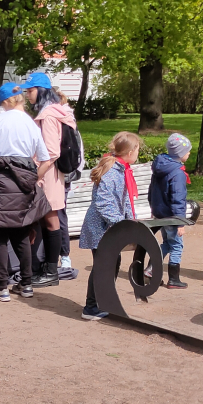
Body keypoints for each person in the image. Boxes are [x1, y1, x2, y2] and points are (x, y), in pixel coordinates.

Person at [0, 83, 50, 301]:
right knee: (21, 234)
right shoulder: (31, 123)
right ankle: (26, 284)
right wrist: (34, 178)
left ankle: (1, 288)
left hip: (0, 181)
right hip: (24, 182)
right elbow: (47, 160)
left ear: (4, 102)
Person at [22, 71, 79, 287]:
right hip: (54, 173)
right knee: (49, 219)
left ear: (42, 91)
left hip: (48, 174)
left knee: (50, 219)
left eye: (31, 90)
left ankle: (50, 271)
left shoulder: (48, 116)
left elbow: (51, 151)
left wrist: (36, 175)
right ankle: (47, 269)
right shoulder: (59, 112)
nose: (28, 95)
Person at [78, 132, 140, 320]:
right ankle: (91, 307)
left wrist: (130, 221)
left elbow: (125, 199)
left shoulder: (121, 170)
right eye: (137, 149)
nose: (138, 153)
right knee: (104, 265)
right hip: (101, 227)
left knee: (112, 263)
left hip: (109, 226)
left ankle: (102, 301)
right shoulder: (112, 172)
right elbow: (104, 202)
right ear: (129, 152)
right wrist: (120, 223)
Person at [148, 132, 193, 289]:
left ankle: (151, 269)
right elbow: (177, 198)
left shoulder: (160, 166)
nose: (189, 153)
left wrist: (153, 208)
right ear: (180, 154)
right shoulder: (177, 173)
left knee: (167, 243)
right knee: (177, 246)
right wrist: (180, 222)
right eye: (188, 151)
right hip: (172, 216)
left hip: (161, 213)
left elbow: (151, 190)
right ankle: (173, 279)